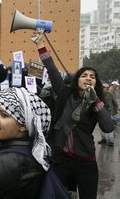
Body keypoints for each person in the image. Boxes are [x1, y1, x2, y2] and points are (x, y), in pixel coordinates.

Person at [32, 30, 115, 199]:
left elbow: (107, 127)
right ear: (77, 80)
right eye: (84, 75)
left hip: (85, 161)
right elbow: (52, 69)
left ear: (96, 82)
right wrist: (40, 44)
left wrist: (96, 102)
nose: (88, 78)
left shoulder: (98, 103)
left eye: (92, 76)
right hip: (61, 159)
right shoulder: (65, 93)